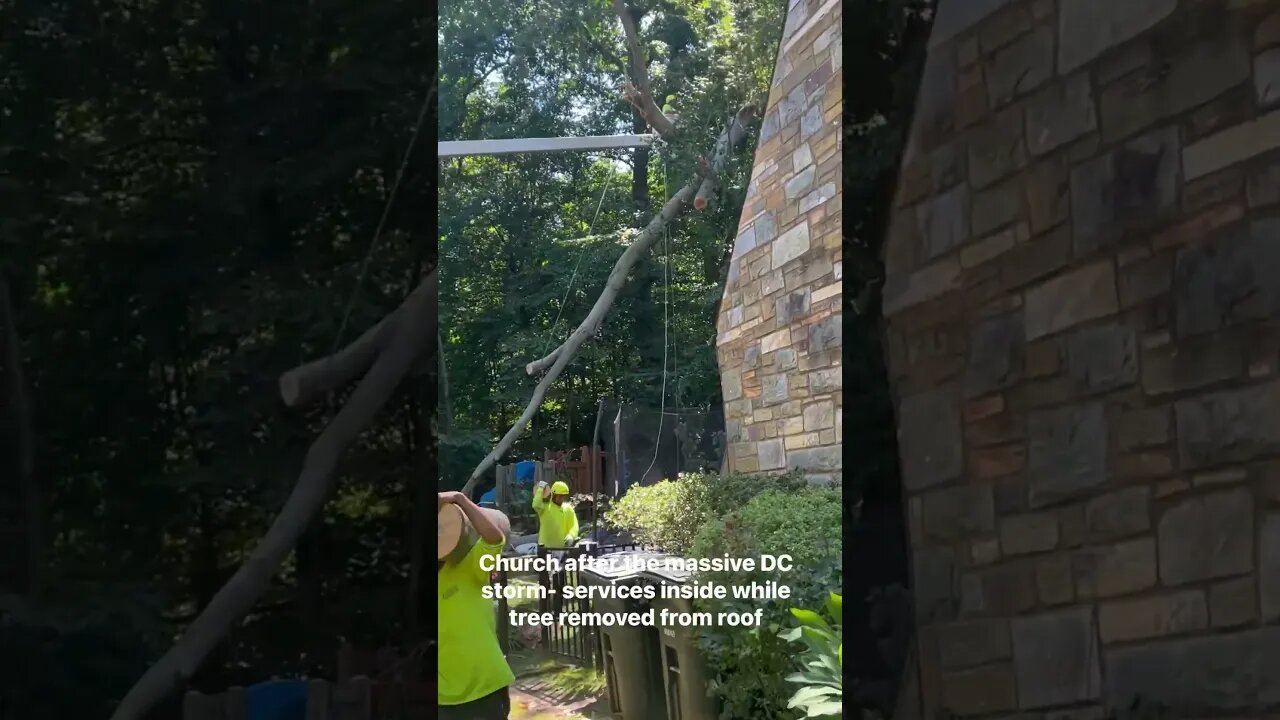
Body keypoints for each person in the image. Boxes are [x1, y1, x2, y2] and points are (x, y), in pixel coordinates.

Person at [438, 491, 515, 720]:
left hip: (486, 688)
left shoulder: (469, 570)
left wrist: (460, 500)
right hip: (443, 698)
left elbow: (494, 539)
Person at [531, 480, 579, 614]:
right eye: (560, 496)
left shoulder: (568, 509)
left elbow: (574, 525)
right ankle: (544, 610)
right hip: (545, 549)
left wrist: (571, 536)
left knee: (559, 583)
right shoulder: (545, 508)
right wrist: (541, 488)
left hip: (561, 550)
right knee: (544, 582)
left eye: (564, 496)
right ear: (553, 494)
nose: (562, 498)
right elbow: (535, 504)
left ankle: (557, 612)